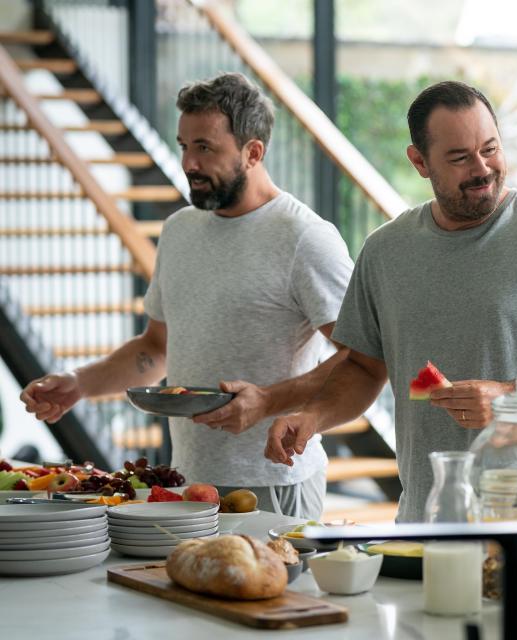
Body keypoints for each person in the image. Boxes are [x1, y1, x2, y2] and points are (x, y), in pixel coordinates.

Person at [259, 80, 517, 522]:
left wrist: (513, 397)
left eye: (490, 149)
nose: (482, 168)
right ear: (419, 162)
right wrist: (313, 417)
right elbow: (363, 368)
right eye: (459, 158)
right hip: (425, 515)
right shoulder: (385, 250)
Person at [19, 72, 354, 518]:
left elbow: (362, 356)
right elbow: (154, 349)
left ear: (253, 152)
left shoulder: (306, 238)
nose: (189, 163)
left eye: (205, 148)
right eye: (184, 146)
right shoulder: (179, 230)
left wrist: (268, 402)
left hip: (274, 481)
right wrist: (80, 384)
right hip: (186, 481)